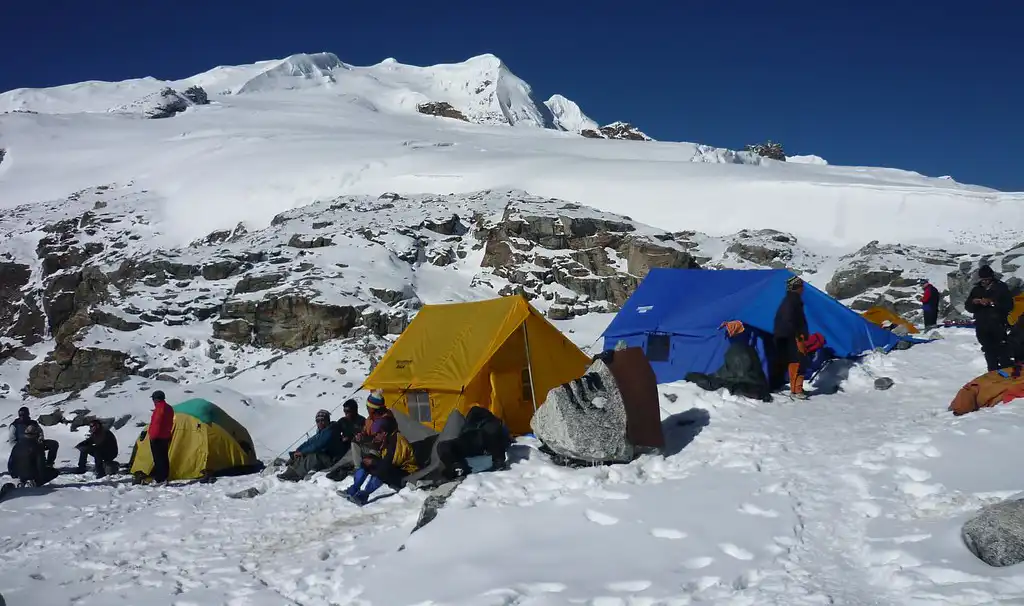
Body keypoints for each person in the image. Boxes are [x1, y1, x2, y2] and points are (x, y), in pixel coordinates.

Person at [343, 415, 419, 506]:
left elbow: (392, 463)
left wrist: (374, 462)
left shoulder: (398, 442)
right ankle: (353, 489)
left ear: (384, 433)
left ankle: (363, 495)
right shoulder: (388, 439)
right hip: (393, 467)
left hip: (406, 474)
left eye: (377, 433)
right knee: (366, 462)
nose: (376, 436)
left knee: (381, 469)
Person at [965, 265, 1014, 372]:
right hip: (982, 325)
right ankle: (992, 373)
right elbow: (968, 307)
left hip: (998, 324)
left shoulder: (1001, 287)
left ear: (991, 277)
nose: (985, 281)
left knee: (1002, 350)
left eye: (987, 279)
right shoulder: (976, 289)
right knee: (988, 351)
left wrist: (992, 302)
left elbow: (1009, 305)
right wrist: (974, 302)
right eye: (983, 279)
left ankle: (1007, 373)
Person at [277, 409, 348, 481]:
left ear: (327, 420)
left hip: (333, 460)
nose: (320, 423)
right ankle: (290, 472)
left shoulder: (331, 431)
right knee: (302, 454)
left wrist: (302, 452)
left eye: (322, 420)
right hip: (326, 458)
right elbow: (309, 442)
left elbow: (318, 445)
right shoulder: (322, 432)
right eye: (318, 421)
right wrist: (297, 451)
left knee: (313, 456)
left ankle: (297, 475)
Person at [773, 275, 810, 399]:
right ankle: (797, 390)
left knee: (794, 361)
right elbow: (792, 320)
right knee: (799, 360)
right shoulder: (793, 301)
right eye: (801, 287)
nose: (803, 289)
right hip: (794, 335)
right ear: (796, 287)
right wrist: (799, 335)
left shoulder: (788, 300)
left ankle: (795, 389)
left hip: (786, 335)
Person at [148, 390, 175, 484]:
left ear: (156, 399)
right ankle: (164, 477)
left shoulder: (159, 408)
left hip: (157, 437)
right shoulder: (169, 408)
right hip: (165, 436)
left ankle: (160, 479)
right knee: (164, 457)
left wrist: (153, 436)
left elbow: (157, 423)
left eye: (153, 399)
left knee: (158, 458)